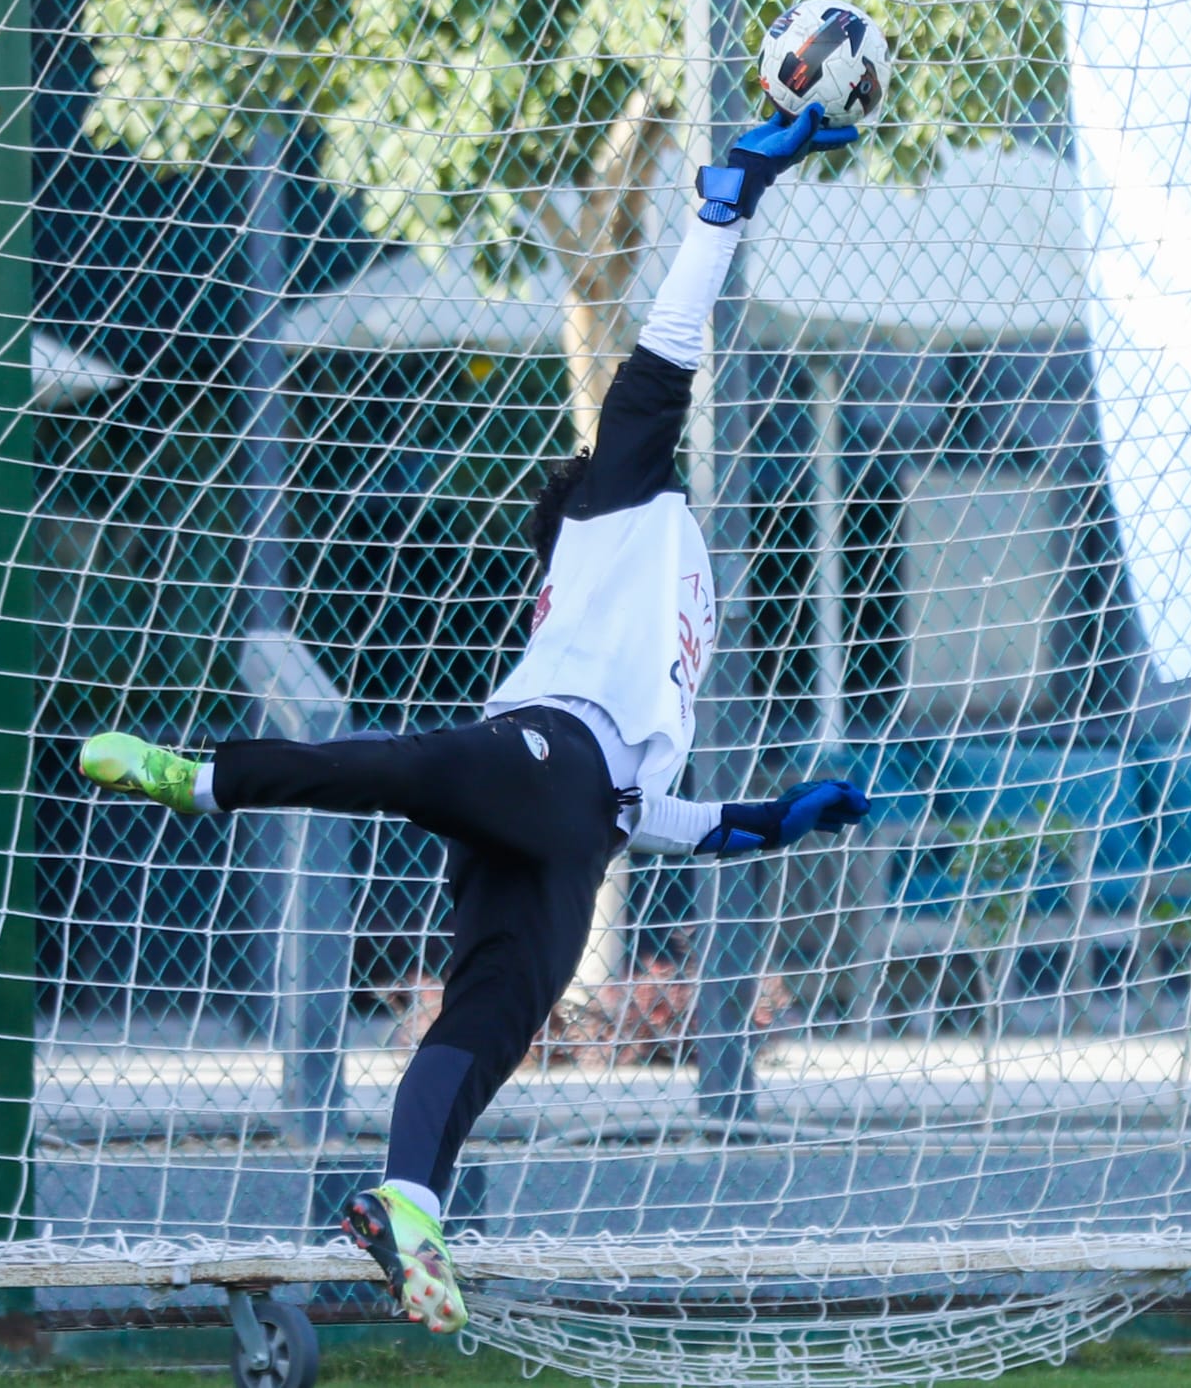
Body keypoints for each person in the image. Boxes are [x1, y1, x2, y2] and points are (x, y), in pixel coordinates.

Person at [78, 102, 872, 1335]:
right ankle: (204, 778)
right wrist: (726, 206)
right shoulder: (618, 517)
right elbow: (664, 358)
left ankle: (406, 1201)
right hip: (541, 762)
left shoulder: (660, 595)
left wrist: (774, 821)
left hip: (585, 824)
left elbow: (660, 814)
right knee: (405, 765)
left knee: (484, 1027)